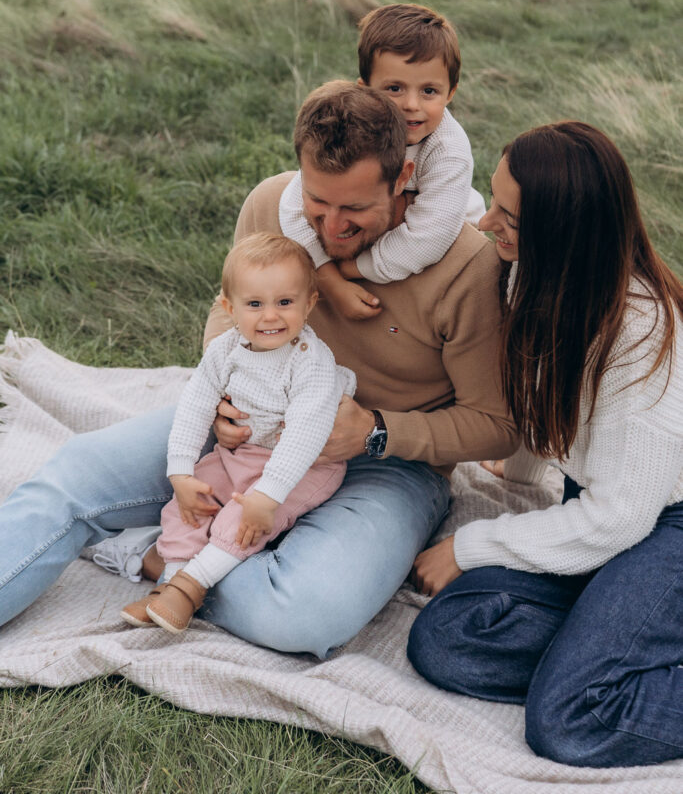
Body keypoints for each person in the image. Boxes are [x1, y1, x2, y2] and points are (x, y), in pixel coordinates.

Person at [0, 80, 517, 658]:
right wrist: (223, 405)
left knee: (305, 613)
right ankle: (193, 553)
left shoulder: (468, 264)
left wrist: (375, 430)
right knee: (72, 477)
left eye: (355, 209)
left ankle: (163, 559)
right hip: (248, 433)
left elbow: (496, 423)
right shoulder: (272, 205)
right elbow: (227, 316)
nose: (331, 229)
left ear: (403, 181)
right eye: (318, 203)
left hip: (388, 464)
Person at [407, 121, 683, 768]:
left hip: (663, 524)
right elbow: (548, 392)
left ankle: (607, 661)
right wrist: (523, 461)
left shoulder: (641, 342)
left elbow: (619, 516)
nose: (487, 224)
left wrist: (472, 546)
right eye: (494, 201)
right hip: (615, 512)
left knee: (569, 719)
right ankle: (614, 646)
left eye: (509, 215)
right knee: (447, 639)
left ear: (564, 233)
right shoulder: (535, 275)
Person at [120, 233, 355, 634]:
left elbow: (305, 433)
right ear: (230, 308)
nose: (270, 317)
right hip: (242, 456)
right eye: (254, 304)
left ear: (309, 303)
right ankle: (169, 586)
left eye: (285, 302)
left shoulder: (310, 361)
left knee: (241, 518)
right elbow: (195, 404)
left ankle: (192, 587)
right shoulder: (225, 349)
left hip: (303, 468)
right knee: (191, 503)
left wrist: (268, 494)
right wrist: (181, 472)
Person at [279, 3, 485, 319]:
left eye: (429, 91)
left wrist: (350, 269)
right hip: (380, 233)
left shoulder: (449, 151)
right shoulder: (353, 130)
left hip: (444, 241)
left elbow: (429, 239)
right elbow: (293, 207)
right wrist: (327, 278)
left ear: (451, 92)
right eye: (394, 88)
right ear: (365, 89)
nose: (411, 105)